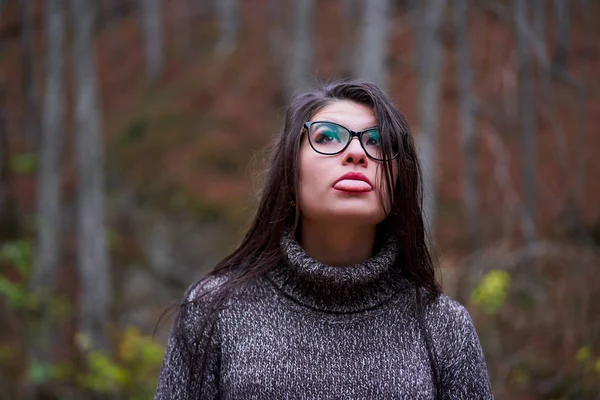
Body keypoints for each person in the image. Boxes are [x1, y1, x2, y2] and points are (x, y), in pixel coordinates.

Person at [154, 80, 493, 399]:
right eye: (328, 136)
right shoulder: (214, 310)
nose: (357, 153)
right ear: (289, 174)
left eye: (378, 141)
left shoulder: (444, 327)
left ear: (397, 185)